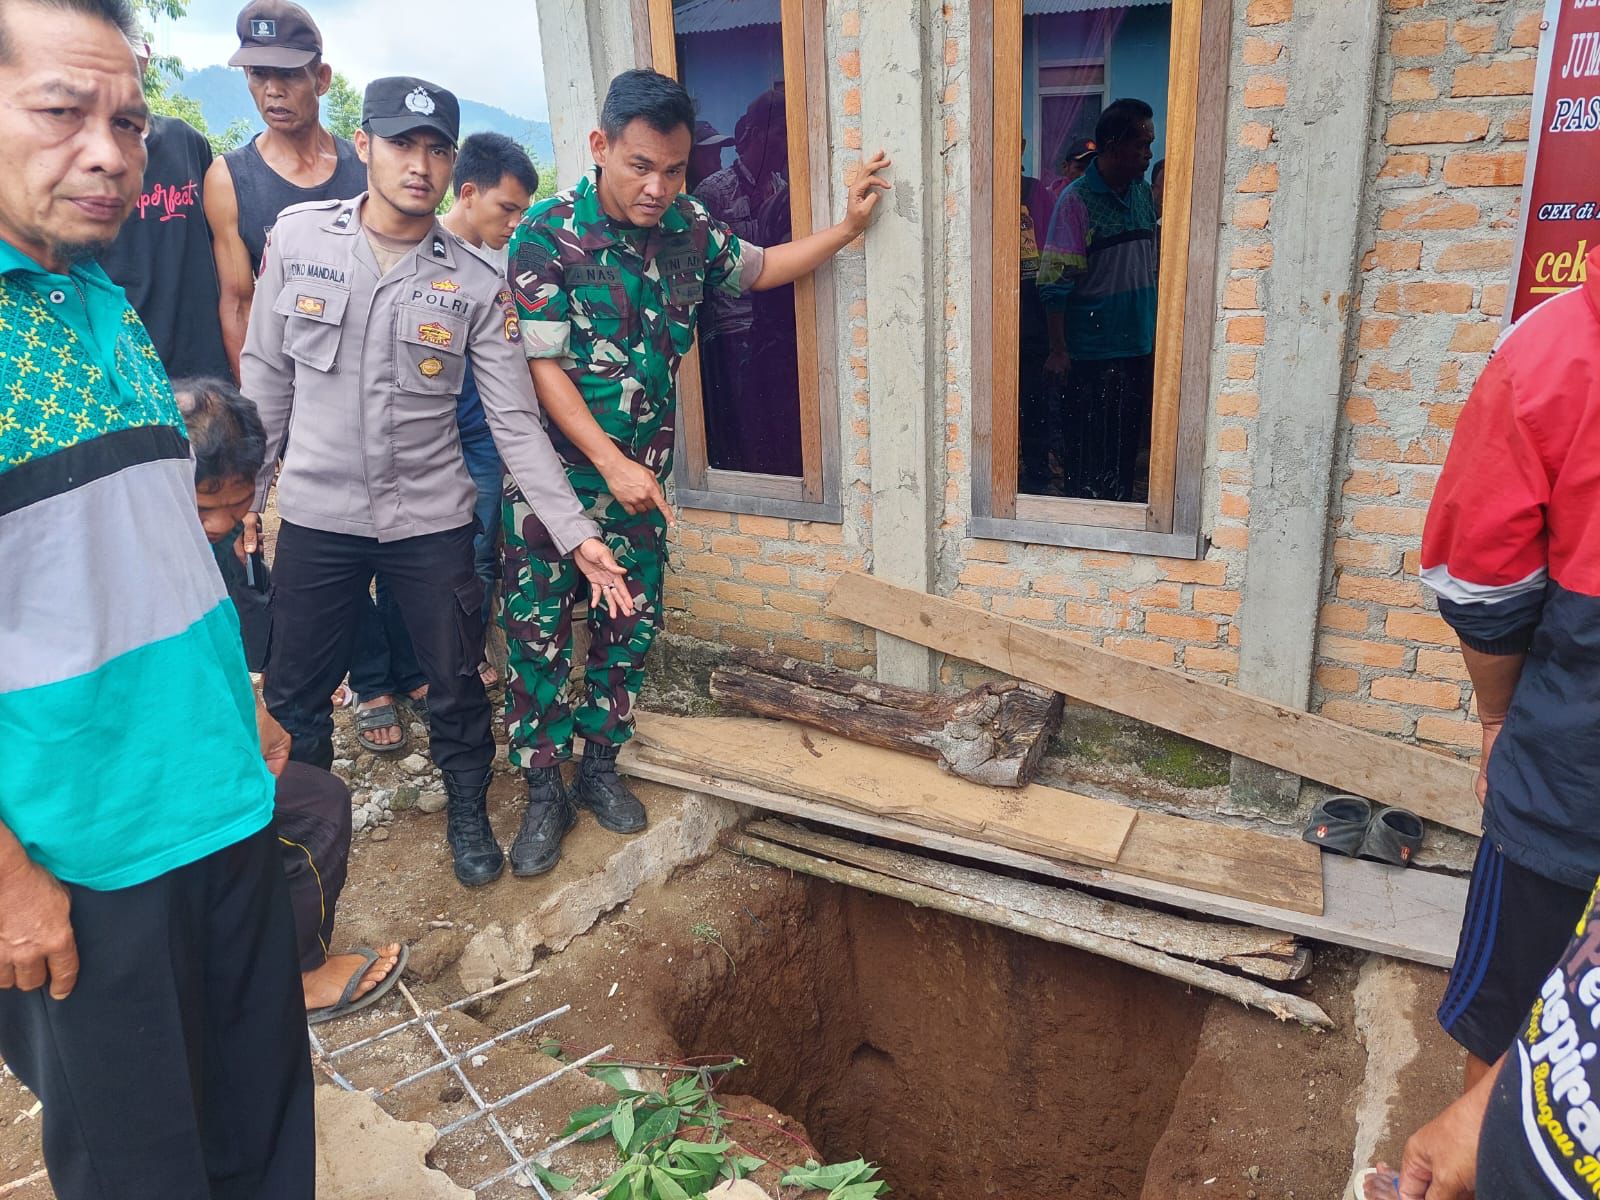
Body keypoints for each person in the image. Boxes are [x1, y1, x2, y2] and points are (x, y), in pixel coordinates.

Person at [0, 0, 312, 1193]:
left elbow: (151, 545)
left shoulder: (104, 300)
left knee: (262, 1128)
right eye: (61, 110)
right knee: (147, 1166)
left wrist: (239, 699)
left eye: (127, 120)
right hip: (83, 858)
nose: (108, 151)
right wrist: (9, 882)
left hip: (220, 803)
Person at [243, 76, 629, 890]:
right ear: (364, 145)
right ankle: (298, 841)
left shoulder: (476, 283)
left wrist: (578, 535)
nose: (419, 165)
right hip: (319, 515)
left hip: (429, 519)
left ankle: (465, 810)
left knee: (454, 682)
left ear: (453, 165)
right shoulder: (299, 239)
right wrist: (247, 496)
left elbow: (516, 426)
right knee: (298, 693)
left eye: (436, 150)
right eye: (402, 144)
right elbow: (267, 377)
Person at [502, 68, 890, 875]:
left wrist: (848, 230)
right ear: (600, 146)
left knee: (625, 633)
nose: (658, 186)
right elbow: (543, 371)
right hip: (553, 492)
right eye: (641, 166)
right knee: (539, 641)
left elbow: (763, 267)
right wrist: (609, 466)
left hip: (640, 491)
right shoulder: (544, 236)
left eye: (674, 169)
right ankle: (544, 791)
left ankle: (601, 768)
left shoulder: (690, 229)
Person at [1419, 242, 1600, 1095]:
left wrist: (1497, 720)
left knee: (1514, 1025)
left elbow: (1483, 576)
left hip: (1574, 780)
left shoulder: (1558, 351)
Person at [176, 377, 404, 1019]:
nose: (222, 523)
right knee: (316, 811)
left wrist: (253, 711)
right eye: (203, 508)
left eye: (238, 502)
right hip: (144, 772)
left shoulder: (193, 545)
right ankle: (297, 974)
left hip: (185, 739)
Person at [204, 0, 365, 378]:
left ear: (321, 79)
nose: (273, 91)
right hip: (285, 376)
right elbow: (239, 304)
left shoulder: (364, 170)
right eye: (259, 75)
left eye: (289, 75)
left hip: (363, 374)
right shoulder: (229, 178)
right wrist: (261, 413)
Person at [1040, 98, 1159, 502]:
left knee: (1125, 454)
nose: (1148, 154)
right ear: (1111, 145)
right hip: (1093, 353)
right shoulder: (1076, 201)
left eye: (1150, 144)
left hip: (1139, 346)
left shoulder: (1143, 195)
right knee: (1088, 459)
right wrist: (1059, 350)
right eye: (1140, 144)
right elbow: (1054, 282)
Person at [98, 38, 230, 379]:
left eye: (131, 50)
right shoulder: (85, 158)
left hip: (203, 365)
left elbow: (220, 244)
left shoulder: (187, 142)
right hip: (123, 361)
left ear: (146, 56)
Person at [694, 87, 802, 477]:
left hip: (776, 330)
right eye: (779, 134)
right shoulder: (712, 194)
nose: (786, 145)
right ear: (754, 135)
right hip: (730, 333)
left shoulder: (790, 193)